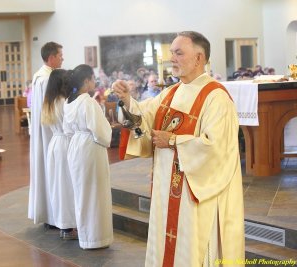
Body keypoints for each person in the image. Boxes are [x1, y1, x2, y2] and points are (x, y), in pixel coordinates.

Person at [113, 31, 244, 266]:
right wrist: (126, 100)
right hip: (167, 190)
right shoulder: (171, 92)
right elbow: (143, 117)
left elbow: (217, 149)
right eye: (171, 52)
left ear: (199, 58)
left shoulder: (216, 97)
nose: (171, 58)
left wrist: (173, 141)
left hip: (194, 194)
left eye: (179, 53)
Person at [63, 64, 113, 249]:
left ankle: (85, 236)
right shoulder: (88, 102)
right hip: (90, 147)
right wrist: (108, 130)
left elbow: (67, 129)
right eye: (93, 78)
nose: (95, 82)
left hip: (75, 146)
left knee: (82, 193)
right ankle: (95, 238)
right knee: (95, 193)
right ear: (86, 81)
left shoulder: (69, 102)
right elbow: (100, 132)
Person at [28, 41, 64, 227]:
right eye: (60, 56)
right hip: (50, 132)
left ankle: (49, 214)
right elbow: (53, 109)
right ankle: (52, 216)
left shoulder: (40, 76)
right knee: (52, 171)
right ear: (51, 58)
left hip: (44, 130)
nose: (63, 58)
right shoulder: (47, 79)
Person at [41, 69, 77, 239]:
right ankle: (70, 226)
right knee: (68, 187)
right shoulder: (64, 101)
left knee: (58, 186)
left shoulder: (49, 101)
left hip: (55, 144)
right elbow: (70, 125)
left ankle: (64, 225)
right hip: (65, 143)